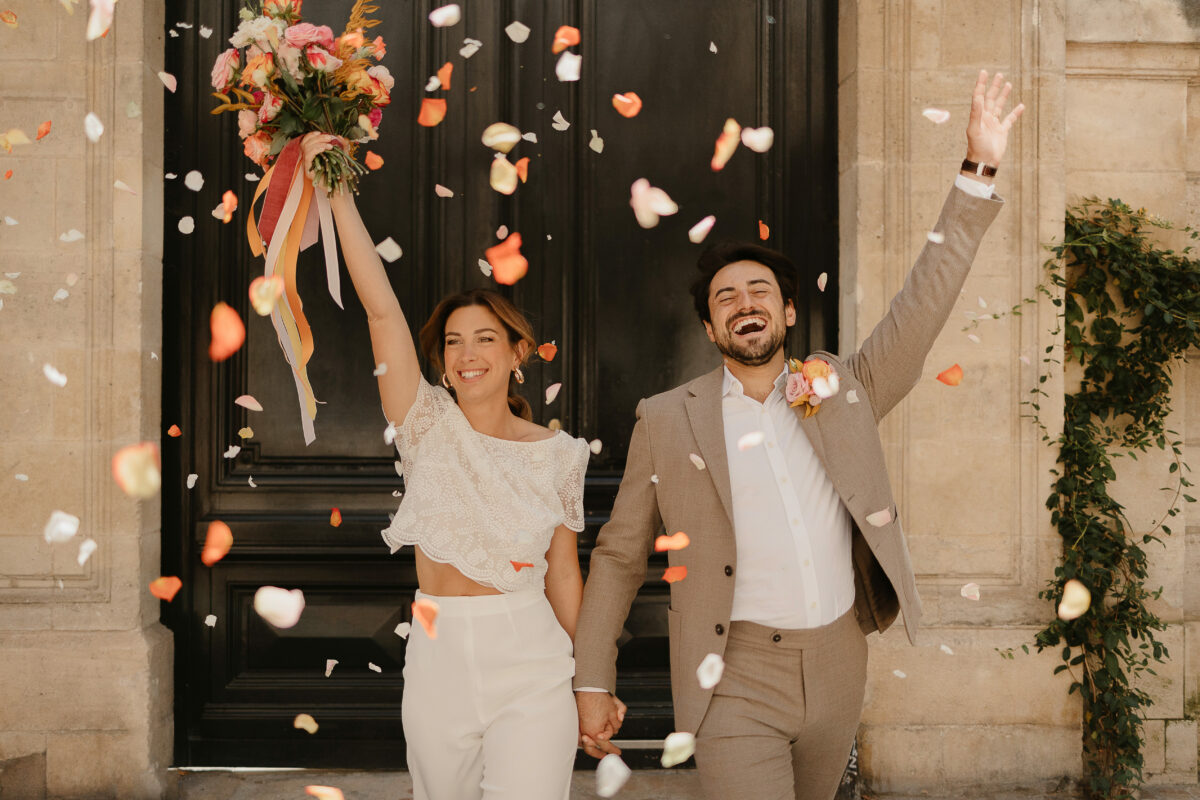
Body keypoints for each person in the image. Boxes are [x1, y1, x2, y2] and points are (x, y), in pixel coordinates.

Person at [572, 70, 1025, 800]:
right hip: (732, 673)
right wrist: (592, 678)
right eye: (725, 298)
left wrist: (978, 169)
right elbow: (621, 556)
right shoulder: (666, 417)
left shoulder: (844, 390)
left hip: (839, 665)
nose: (742, 304)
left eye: (760, 293)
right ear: (711, 327)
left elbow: (923, 302)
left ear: (787, 315)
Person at [299, 132, 594, 800]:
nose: (468, 354)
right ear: (440, 361)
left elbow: (566, 577)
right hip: (437, 648)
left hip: (533, 656)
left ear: (518, 352)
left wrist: (593, 681)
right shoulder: (426, 425)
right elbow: (380, 309)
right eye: (454, 342)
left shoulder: (560, 455)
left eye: (486, 339)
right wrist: (333, 186)